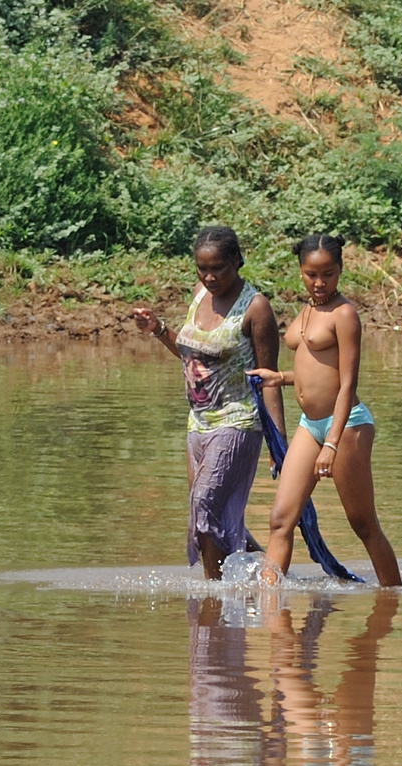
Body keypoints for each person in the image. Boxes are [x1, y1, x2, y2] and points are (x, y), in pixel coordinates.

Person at [248, 235, 402, 587]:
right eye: (311, 274)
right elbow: (314, 371)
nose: (319, 283)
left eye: (328, 274)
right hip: (310, 424)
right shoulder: (307, 310)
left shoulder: (344, 314)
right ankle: (271, 607)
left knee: (363, 524)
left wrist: (331, 444)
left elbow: (346, 384)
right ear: (300, 272)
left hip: (345, 425)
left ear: (341, 271)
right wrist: (280, 377)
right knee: (281, 519)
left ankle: (393, 601)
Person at [131, 225, 284, 579]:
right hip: (198, 424)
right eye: (203, 269)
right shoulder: (201, 295)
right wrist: (157, 329)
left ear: (238, 261)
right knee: (212, 514)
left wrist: (279, 443)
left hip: (239, 422)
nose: (210, 276)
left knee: (204, 507)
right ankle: (273, 575)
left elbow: (269, 379)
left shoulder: (256, 308)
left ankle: (213, 596)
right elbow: (191, 356)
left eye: (219, 268)